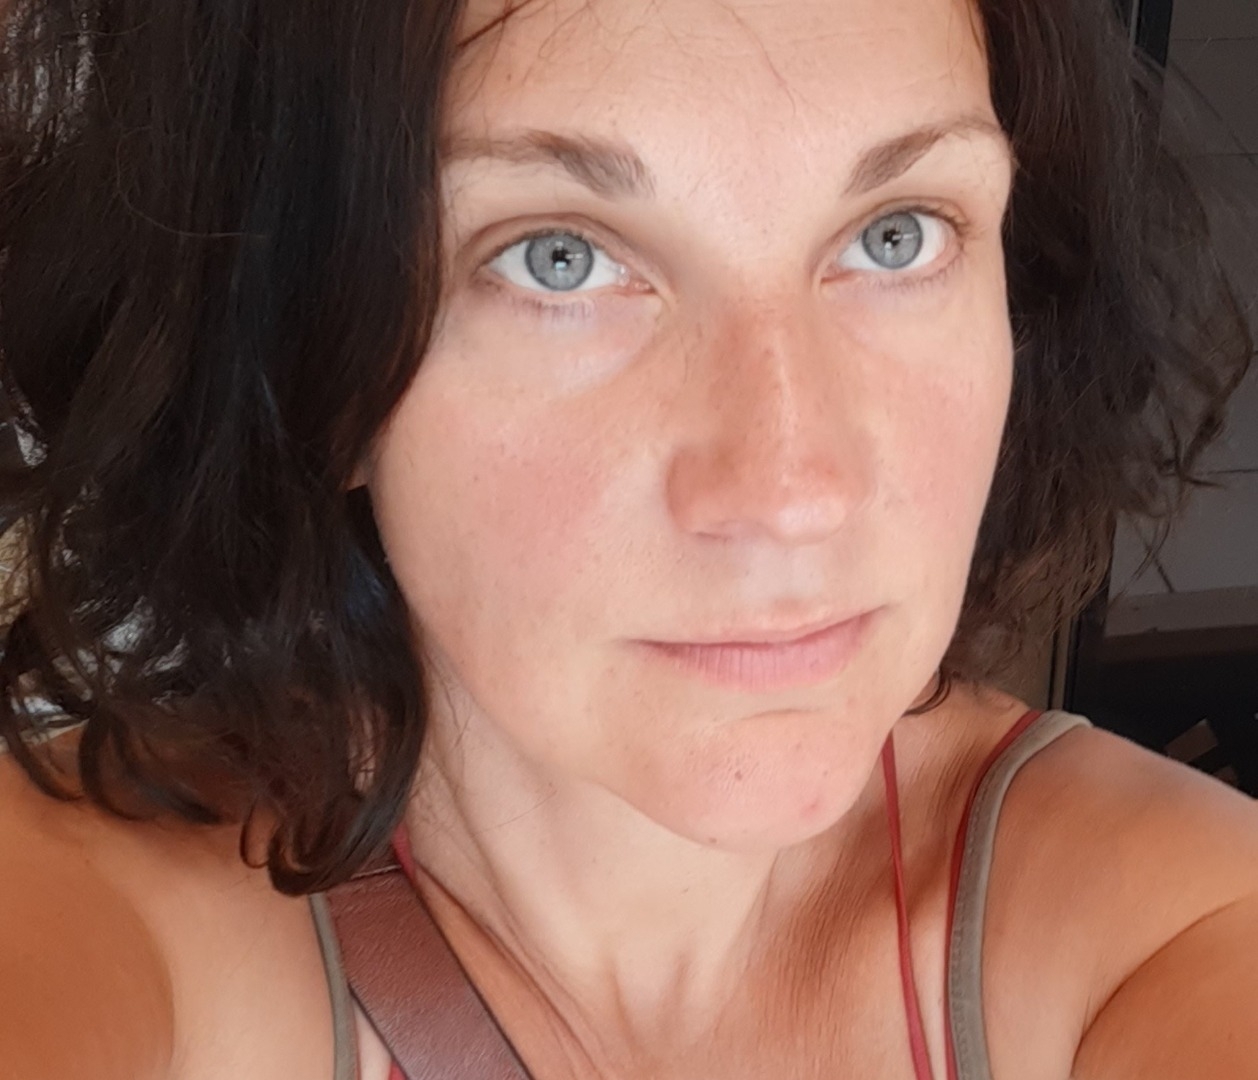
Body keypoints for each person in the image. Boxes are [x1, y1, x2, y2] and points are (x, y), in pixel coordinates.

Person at [0, 0, 1253, 1077]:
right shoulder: (93, 917)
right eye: (557, 259)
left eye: (896, 234)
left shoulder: (1173, 929)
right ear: (310, 352)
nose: (791, 492)